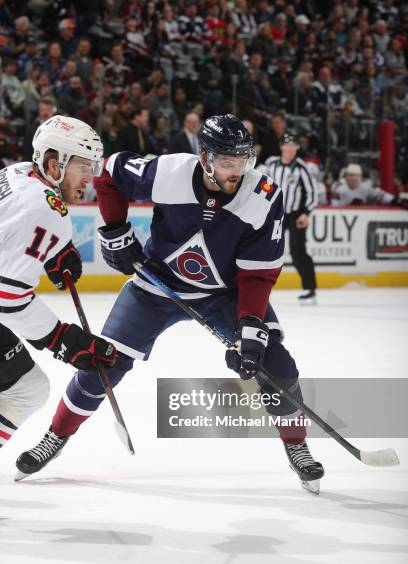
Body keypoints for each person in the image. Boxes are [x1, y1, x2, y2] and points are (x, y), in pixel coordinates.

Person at [16, 115, 324, 494]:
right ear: (205, 157)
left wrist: (250, 330)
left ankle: (298, 446)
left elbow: (258, 274)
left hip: (224, 294)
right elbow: (109, 173)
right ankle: (55, 436)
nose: (237, 171)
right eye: (228, 162)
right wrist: (114, 229)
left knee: (275, 364)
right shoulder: (169, 172)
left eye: (243, 161)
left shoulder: (262, 197)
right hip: (154, 286)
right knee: (104, 363)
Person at [0, 116, 117, 451]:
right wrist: (61, 339)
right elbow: (7, 296)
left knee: (29, 387)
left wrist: (53, 250)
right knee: (27, 390)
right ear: (54, 165)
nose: (89, 179)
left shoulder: (19, 172)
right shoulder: (46, 210)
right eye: (82, 167)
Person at [257, 132, 318, 304]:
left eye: (293, 146)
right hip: (276, 213)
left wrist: (306, 212)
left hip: (296, 214)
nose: (289, 149)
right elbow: (261, 184)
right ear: (282, 147)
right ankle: (260, 288)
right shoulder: (271, 165)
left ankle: (310, 289)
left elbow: (312, 192)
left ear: (297, 148)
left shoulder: (301, 167)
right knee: (268, 250)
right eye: (286, 145)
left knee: (298, 251)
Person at [331, 163, 396, 206]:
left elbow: (380, 195)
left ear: (360, 177)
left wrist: (394, 200)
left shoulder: (365, 187)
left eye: (357, 176)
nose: (354, 178)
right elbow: (334, 205)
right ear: (346, 177)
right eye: (351, 175)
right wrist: (350, 206)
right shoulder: (339, 187)